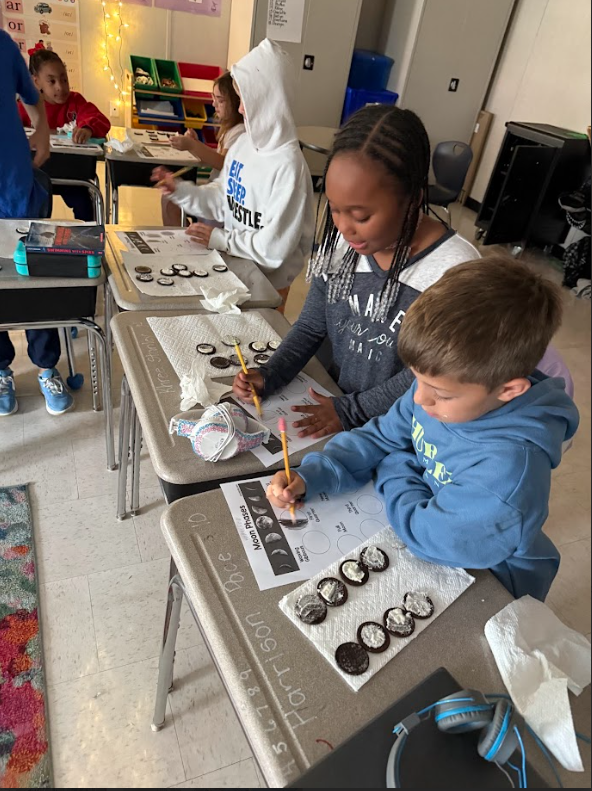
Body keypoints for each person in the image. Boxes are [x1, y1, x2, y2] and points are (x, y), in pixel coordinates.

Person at [267, 255, 580, 602]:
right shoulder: (440, 393)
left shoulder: (509, 470)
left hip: (488, 584)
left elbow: (427, 536)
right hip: (427, 524)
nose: (418, 399)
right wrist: (315, 474)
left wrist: (395, 463)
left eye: (441, 393)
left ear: (508, 390)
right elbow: (380, 435)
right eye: (417, 379)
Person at [232, 104, 480, 430]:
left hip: (400, 430)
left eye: (361, 216)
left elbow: (430, 375)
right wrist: (271, 373)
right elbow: (311, 326)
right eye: (335, 209)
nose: (345, 228)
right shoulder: (341, 246)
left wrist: (353, 410)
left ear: (414, 198)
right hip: (339, 402)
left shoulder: (455, 274)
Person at [153, 38, 315, 309]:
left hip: (269, 283)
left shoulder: (289, 167)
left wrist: (220, 239)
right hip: (235, 265)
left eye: (245, 100)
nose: (240, 109)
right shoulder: (243, 145)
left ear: (268, 100)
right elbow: (222, 198)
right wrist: (181, 191)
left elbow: (273, 248)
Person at [0, 32, 73, 417]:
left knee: (34, 280)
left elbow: (32, 98)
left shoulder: (4, 46)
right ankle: (1, 370)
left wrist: (41, 128)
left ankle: (46, 366)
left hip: (16, 186)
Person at [18, 45, 111, 221]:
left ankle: (89, 236)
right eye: (52, 82)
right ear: (36, 82)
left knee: (85, 204)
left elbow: (100, 119)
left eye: (64, 79)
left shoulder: (76, 101)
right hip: (36, 176)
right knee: (28, 205)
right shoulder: (26, 107)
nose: (60, 87)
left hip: (71, 173)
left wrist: (87, 128)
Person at [161, 72, 245, 226]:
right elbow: (216, 157)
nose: (214, 104)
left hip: (222, 199)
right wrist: (195, 143)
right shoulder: (230, 129)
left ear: (236, 103)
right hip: (215, 190)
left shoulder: (239, 131)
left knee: (170, 202)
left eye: (220, 100)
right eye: (213, 98)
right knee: (168, 200)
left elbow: (222, 163)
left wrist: (193, 145)